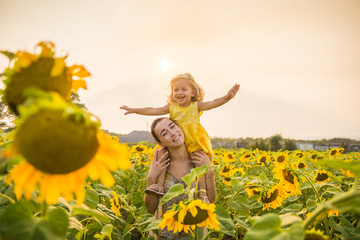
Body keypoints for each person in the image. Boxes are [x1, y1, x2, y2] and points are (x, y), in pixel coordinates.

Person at [120, 73, 239, 196]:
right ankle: (157, 186)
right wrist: (135, 110)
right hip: (173, 141)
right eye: (175, 90)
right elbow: (154, 110)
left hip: (193, 142)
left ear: (193, 92)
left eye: (184, 89)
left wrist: (227, 97)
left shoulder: (196, 106)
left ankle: (202, 193)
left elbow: (213, 103)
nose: (179, 92)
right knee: (162, 156)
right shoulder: (172, 107)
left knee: (199, 166)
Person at [144, 117, 216, 239]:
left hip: (195, 233)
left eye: (172, 126)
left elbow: (211, 200)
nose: (172, 133)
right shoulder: (160, 165)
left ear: (180, 128)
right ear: (160, 143)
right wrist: (151, 177)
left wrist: (209, 171)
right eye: (164, 133)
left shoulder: (199, 159)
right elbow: (151, 209)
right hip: (165, 234)